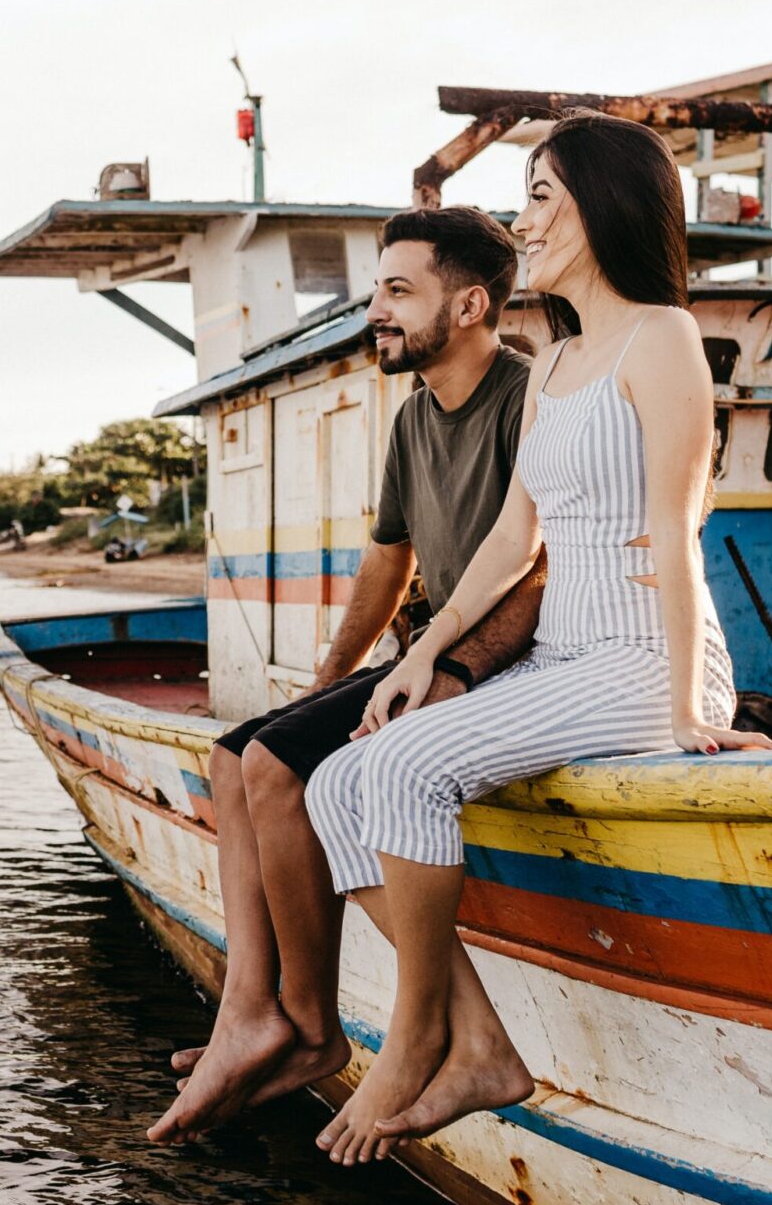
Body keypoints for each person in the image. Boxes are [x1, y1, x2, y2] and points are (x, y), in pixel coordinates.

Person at [302, 111, 772, 1167]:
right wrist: (424, 652)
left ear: (600, 208)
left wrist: (694, 710)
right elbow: (514, 535)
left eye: (539, 198)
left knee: (407, 769)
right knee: (339, 781)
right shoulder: (553, 361)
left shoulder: (659, 340)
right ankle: (474, 1039)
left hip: (642, 657)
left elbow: (673, 526)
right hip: (564, 654)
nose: (524, 222)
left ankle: (415, 1032)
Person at [148, 206, 547, 1144]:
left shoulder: (526, 399)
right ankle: (252, 1008)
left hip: (494, 662)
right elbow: (389, 562)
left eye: (399, 291)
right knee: (231, 754)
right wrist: (329, 682)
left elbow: (538, 563)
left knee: (279, 770)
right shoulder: (414, 415)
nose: (378, 309)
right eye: (378, 290)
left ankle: (312, 1024)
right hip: (423, 651)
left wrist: (441, 668)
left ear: (471, 305)